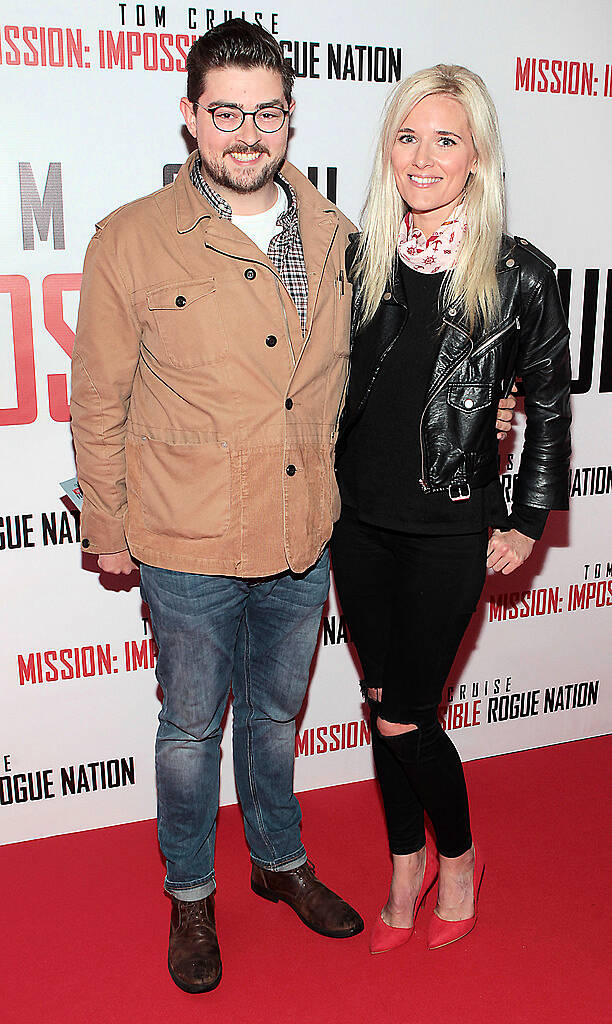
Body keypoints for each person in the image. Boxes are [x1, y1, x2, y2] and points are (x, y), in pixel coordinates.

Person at [70, 19, 365, 994]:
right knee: (192, 730)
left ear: (290, 118)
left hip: (299, 538)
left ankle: (277, 861)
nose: (248, 133)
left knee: (277, 716)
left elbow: (362, 385)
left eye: (266, 113)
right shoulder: (132, 237)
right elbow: (99, 400)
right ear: (191, 118)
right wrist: (108, 530)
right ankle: (190, 891)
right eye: (226, 112)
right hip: (188, 541)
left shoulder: (334, 236)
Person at [330, 64, 571, 953]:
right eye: (408, 136)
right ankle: (404, 863)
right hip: (355, 523)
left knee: (407, 714)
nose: (423, 157)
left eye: (445, 139)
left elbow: (547, 405)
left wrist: (528, 519)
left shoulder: (520, 275)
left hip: (450, 529)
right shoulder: (361, 258)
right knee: (379, 696)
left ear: (477, 157)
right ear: (388, 149)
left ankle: (458, 858)